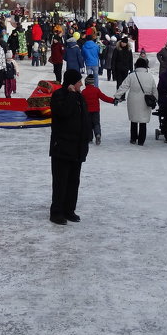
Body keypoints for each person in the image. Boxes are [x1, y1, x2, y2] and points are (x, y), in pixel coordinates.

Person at [48, 70, 91, 225]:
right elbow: (64, 112)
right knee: (61, 181)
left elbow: (84, 118)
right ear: (72, 83)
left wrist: (87, 139)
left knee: (74, 181)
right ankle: (57, 212)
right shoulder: (59, 95)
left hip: (77, 147)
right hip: (62, 147)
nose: (82, 84)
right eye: (79, 81)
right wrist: (72, 95)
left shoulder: (79, 97)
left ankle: (69, 210)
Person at [116, 56, 155, 146]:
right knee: (143, 121)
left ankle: (133, 139)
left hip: (133, 100)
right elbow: (154, 89)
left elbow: (124, 86)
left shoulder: (132, 76)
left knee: (134, 120)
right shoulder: (149, 76)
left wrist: (117, 96)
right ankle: (141, 140)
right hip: (146, 101)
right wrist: (156, 98)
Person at [81, 77, 114, 145]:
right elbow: (104, 97)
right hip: (96, 110)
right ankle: (98, 134)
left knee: (88, 125)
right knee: (96, 123)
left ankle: (89, 138)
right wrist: (113, 101)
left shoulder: (84, 92)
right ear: (93, 83)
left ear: (86, 83)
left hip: (87, 111)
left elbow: (81, 102)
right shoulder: (96, 90)